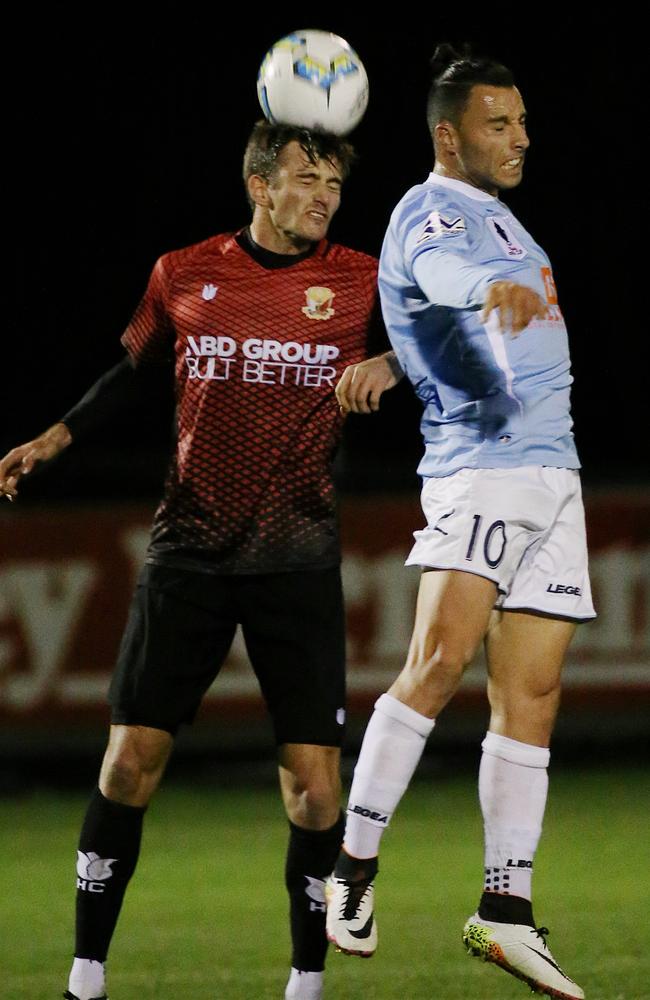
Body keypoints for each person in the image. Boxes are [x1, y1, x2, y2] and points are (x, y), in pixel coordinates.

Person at [0, 121, 401, 1000]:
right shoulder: (182, 272)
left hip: (297, 558)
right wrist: (55, 436)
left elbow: (439, 342)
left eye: (333, 180)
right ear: (259, 186)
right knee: (127, 764)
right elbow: (130, 371)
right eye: (306, 177)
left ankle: (305, 985)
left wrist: (388, 361)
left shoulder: (363, 279)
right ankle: (85, 976)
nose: (324, 194)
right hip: (186, 552)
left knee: (311, 785)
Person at [326, 44, 595, 1000]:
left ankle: (506, 912)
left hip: (550, 475)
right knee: (438, 664)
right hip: (483, 469)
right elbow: (440, 276)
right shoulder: (435, 209)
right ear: (450, 134)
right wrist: (485, 289)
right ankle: (348, 868)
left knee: (533, 701)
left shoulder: (506, 219)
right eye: (498, 123)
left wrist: (399, 362)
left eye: (522, 122)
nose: (520, 137)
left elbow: (429, 326)